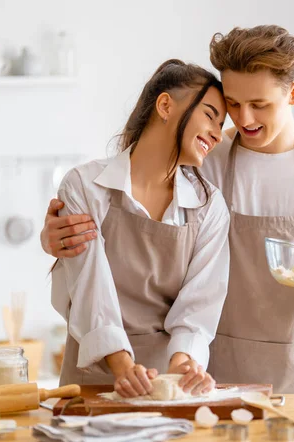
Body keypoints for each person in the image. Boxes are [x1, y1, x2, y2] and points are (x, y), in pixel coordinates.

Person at [43, 26, 294, 393]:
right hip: (224, 373)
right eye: (232, 104)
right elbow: (134, 196)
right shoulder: (203, 162)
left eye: (260, 105)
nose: (243, 119)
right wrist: (55, 239)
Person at [50, 59, 229, 398]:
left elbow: (199, 305)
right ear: (165, 105)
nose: (218, 134)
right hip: (94, 376)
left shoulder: (209, 207)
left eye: (222, 124)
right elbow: (90, 288)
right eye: (209, 115)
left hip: (166, 384)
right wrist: (122, 368)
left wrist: (183, 366)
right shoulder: (86, 186)